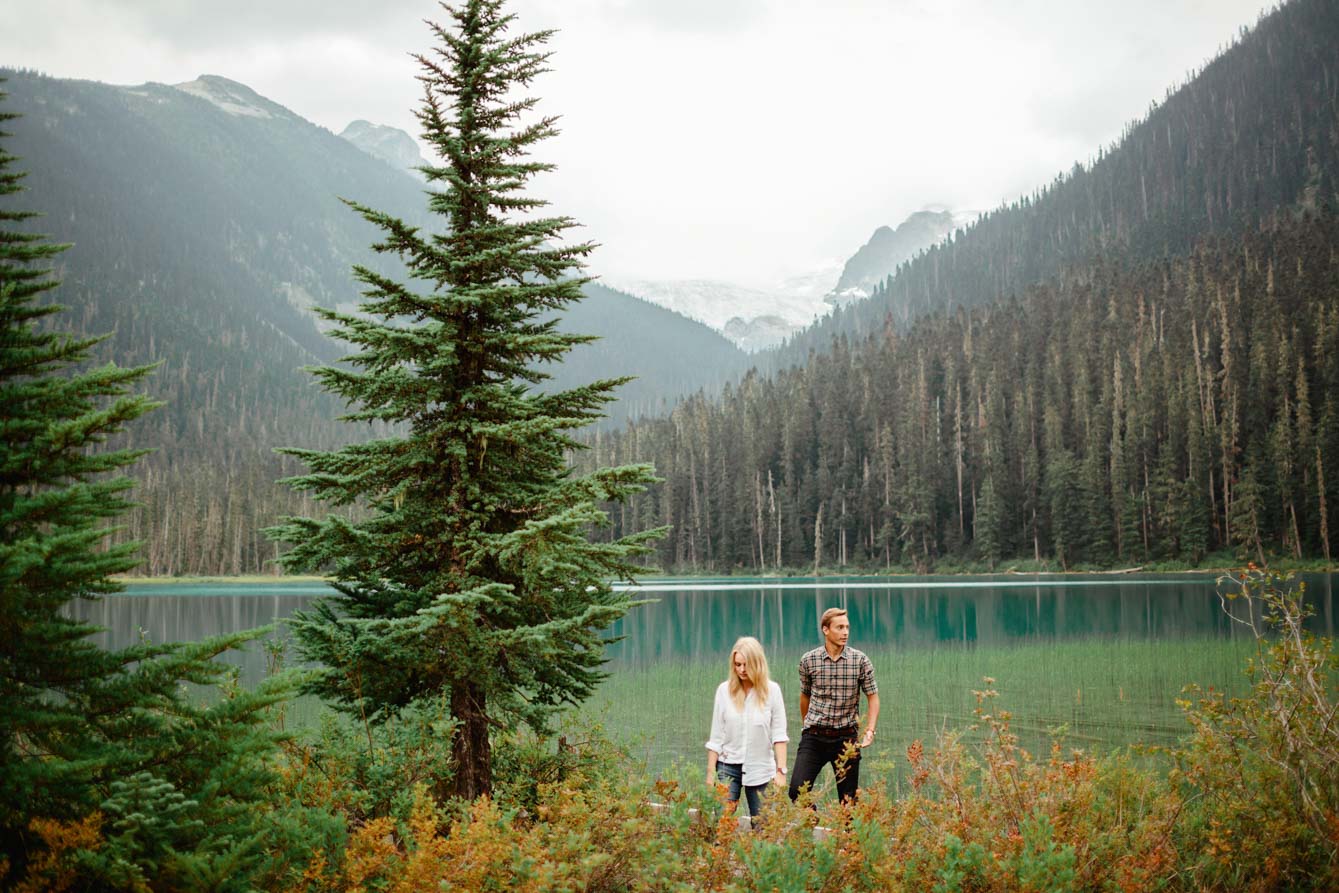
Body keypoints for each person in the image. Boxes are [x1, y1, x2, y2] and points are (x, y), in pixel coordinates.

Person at [788, 607, 879, 804]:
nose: (845, 632)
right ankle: (812, 819)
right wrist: (807, 725)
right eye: (839, 627)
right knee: (796, 790)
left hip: (846, 738)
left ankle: (846, 835)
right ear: (826, 630)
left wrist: (870, 730)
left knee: (848, 803)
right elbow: (805, 695)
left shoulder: (860, 661)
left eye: (847, 627)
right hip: (814, 737)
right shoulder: (809, 660)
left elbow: (873, 697)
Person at [705, 636, 789, 818]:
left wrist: (781, 771)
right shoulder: (723, 691)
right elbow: (716, 737)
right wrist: (710, 775)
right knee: (722, 820)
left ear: (757, 663)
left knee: (762, 824)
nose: (742, 670)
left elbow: (779, 735)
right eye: (738, 664)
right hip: (727, 765)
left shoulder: (772, 691)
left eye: (746, 665)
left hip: (761, 767)